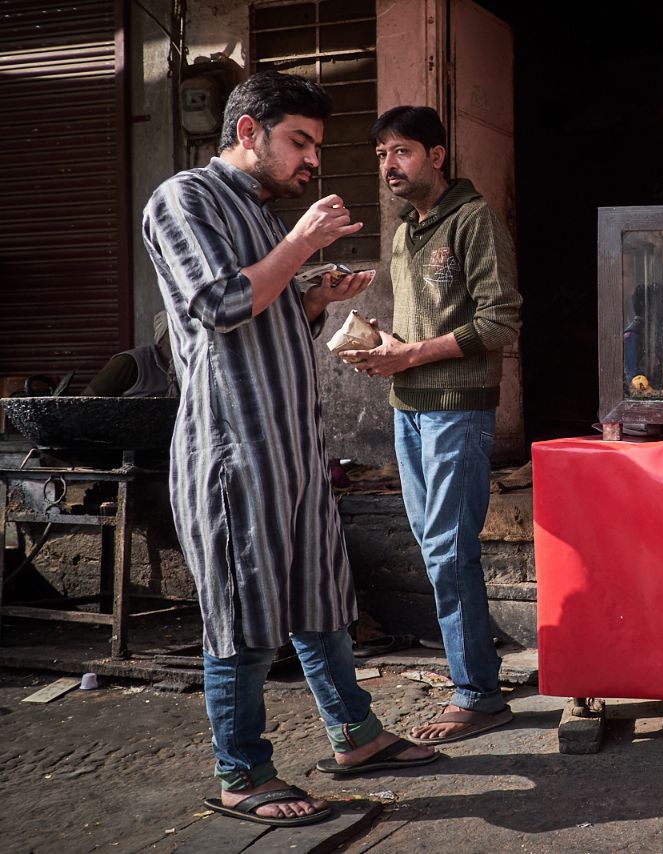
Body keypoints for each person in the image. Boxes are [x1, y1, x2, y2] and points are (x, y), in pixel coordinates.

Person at [141, 71, 436, 828]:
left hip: (294, 443)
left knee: (320, 596)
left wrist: (314, 296)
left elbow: (268, 312)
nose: (312, 160)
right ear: (247, 133)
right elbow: (221, 304)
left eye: (315, 145)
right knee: (243, 610)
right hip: (234, 448)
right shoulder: (183, 199)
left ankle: (356, 734)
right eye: (298, 142)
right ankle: (241, 772)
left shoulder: (260, 215)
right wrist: (303, 239)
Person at [343, 105, 521, 744]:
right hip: (408, 410)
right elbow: (416, 326)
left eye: (403, 152)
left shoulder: (474, 221)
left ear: (437, 156)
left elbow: (500, 322)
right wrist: (383, 347)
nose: (389, 166)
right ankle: (476, 678)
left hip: (457, 408)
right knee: (435, 547)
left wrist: (411, 355)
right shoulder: (404, 233)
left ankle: (477, 693)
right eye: (382, 154)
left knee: (448, 549)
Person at [81, 311, 177, 397]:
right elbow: (87, 402)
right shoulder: (129, 363)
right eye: (175, 332)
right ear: (162, 336)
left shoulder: (187, 368)